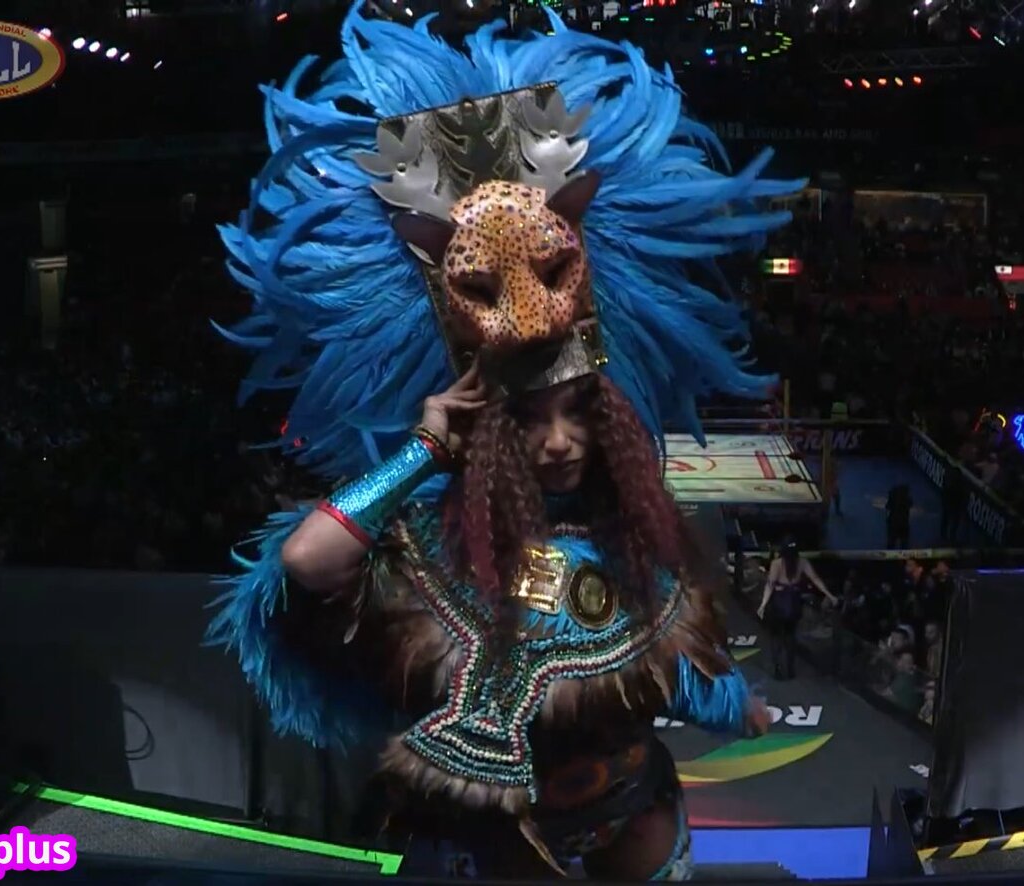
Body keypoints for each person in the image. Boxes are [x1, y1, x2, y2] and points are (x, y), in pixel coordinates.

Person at [205, 6, 800, 880]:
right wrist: (420, 450)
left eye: (578, 414)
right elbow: (304, 563)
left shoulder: (640, 545)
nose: (558, 443)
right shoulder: (429, 549)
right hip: (492, 853)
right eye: (527, 421)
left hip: (639, 824)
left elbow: (687, 668)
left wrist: (737, 704)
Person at [755, 542, 835, 680]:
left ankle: (777, 668)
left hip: (780, 601)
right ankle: (790, 668)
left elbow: (770, 584)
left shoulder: (777, 564)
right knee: (790, 635)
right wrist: (830, 595)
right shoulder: (802, 562)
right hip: (793, 602)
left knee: (776, 636)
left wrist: (763, 604)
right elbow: (815, 579)